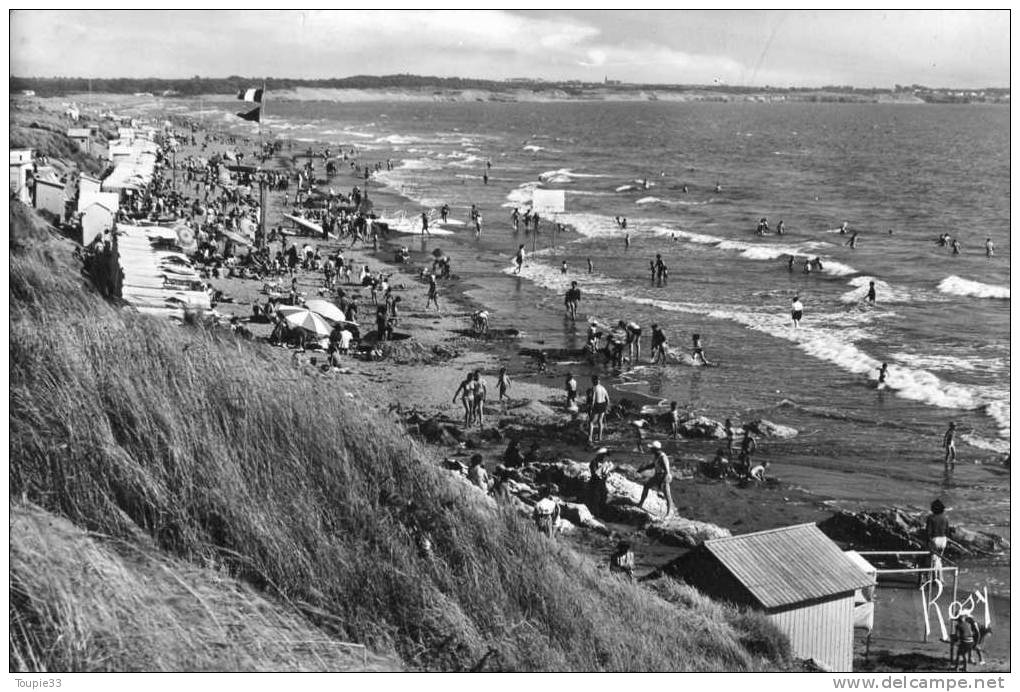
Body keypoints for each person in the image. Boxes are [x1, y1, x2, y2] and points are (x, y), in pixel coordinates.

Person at [637, 441, 673, 517]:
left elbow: (667, 470)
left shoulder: (663, 457)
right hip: (657, 476)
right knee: (646, 486)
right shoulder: (657, 456)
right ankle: (640, 504)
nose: (650, 450)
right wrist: (643, 469)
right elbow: (653, 465)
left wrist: (664, 480)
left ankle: (669, 513)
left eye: (652, 448)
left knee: (667, 495)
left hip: (663, 477)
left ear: (655, 449)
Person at [587, 447, 614, 516]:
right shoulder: (594, 462)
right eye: (603, 455)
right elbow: (595, 473)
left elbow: (608, 472)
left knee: (605, 495)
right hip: (595, 483)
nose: (604, 457)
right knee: (595, 498)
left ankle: (601, 512)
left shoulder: (606, 463)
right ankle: (594, 513)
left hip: (602, 483)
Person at [588, 375, 610, 443]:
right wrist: (606, 407)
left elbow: (593, 399)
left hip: (597, 404)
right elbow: (608, 399)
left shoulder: (594, 388)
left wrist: (591, 408)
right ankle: (599, 437)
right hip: (603, 404)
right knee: (600, 421)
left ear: (593, 381)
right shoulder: (603, 388)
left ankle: (590, 438)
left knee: (591, 422)